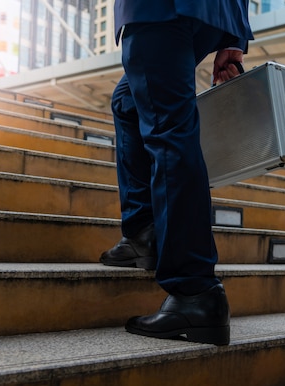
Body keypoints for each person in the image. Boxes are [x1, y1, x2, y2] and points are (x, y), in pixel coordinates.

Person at [99, 0, 253, 346]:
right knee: (128, 101)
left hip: (159, 7)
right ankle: (144, 231)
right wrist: (233, 38)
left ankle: (194, 288)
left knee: (169, 132)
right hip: (212, 13)